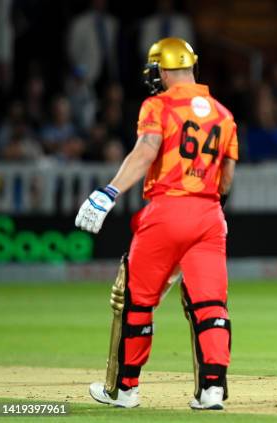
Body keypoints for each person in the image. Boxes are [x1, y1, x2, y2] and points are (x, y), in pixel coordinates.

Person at [75, 37, 238, 410]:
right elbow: (227, 177)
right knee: (210, 304)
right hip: (209, 216)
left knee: (137, 300)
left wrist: (107, 193)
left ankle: (125, 389)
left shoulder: (158, 105)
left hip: (166, 211)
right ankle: (211, 390)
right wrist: (213, 209)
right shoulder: (223, 114)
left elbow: (146, 149)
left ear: (163, 70)